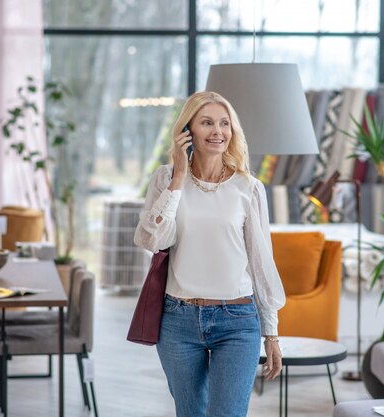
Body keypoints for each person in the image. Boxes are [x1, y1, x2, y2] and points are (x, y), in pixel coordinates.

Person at [134, 91, 286, 417]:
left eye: (224, 123)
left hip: (237, 321)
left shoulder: (248, 188)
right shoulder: (165, 179)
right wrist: (178, 176)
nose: (217, 131)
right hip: (177, 321)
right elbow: (152, 239)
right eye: (206, 123)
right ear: (187, 131)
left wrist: (271, 332)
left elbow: (261, 262)